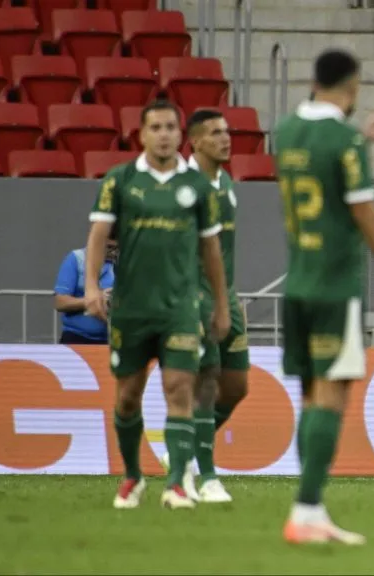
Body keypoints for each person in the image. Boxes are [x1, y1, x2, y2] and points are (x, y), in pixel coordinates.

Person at [275, 49, 374, 545]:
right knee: (332, 396)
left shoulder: (286, 132)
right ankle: (307, 510)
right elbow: (364, 213)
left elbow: (323, 160)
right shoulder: (344, 140)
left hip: (297, 282)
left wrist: (361, 139)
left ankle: (309, 506)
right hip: (336, 285)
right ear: (352, 84)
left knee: (311, 397)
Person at [84, 99, 231, 510]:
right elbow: (98, 234)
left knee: (178, 388)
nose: (164, 134)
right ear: (142, 134)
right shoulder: (120, 180)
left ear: (180, 134)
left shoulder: (199, 187)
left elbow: (211, 249)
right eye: (156, 127)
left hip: (180, 308)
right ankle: (132, 475)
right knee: (127, 396)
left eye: (171, 127)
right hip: (131, 307)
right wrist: (93, 286)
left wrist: (220, 304)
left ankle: (176, 484)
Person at [160, 108, 250, 503]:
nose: (225, 139)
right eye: (215, 133)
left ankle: (183, 451)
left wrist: (229, 296)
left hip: (227, 296)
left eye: (227, 132)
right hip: (195, 298)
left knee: (237, 387)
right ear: (195, 142)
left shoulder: (226, 181)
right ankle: (207, 476)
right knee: (206, 385)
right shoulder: (184, 187)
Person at [53, 234, 118, 344]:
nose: (114, 252)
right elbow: (60, 302)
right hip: (76, 337)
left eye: (117, 248)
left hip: (112, 339)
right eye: (109, 247)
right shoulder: (76, 259)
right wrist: (95, 299)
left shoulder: (122, 263)